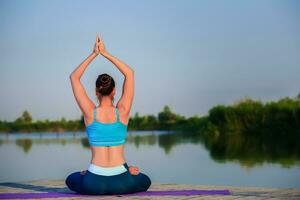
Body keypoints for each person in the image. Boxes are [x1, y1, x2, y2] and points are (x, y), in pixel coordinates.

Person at [65, 34, 151, 195]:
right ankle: (126, 170)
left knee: (72, 179)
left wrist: (94, 54)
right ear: (114, 91)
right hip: (123, 182)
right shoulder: (123, 112)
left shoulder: (90, 112)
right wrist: (106, 53)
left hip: (93, 182)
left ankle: (85, 174)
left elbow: (74, 77)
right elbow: (130, 74)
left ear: (96, 91)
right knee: (145, 180)